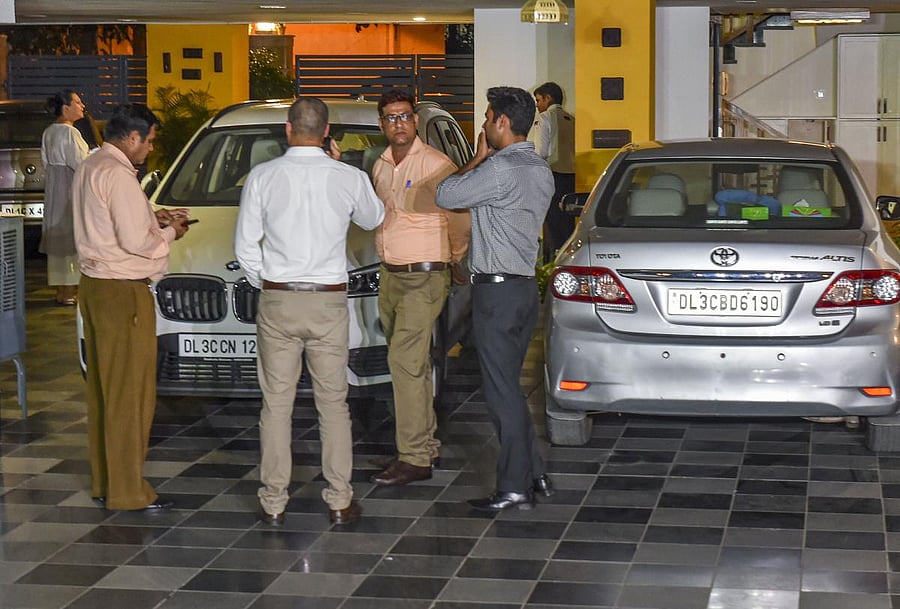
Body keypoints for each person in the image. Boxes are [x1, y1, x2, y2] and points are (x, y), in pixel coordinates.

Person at [234, 97, 384, 527]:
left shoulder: (262, 177)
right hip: (328, 301)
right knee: (333, 404)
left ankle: (274, 502)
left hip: (279, 299)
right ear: (326, 131)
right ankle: (339, 499)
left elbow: (245, 246)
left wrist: (268, 282)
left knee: (276, 405)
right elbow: (374, 217)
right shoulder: (347, 177)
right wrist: (341, 166)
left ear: (288, 128)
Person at [436, 86, 555, 512]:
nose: (484, 125)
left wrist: (478, 157)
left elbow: (446, 194)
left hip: (496, 293)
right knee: (509, 388)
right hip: (523, 291)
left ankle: (513, 487)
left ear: (502, 122)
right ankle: (535, 473)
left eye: (487, 118)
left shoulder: (499, 169)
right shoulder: (540, 169)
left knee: (501, 392)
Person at [73, 103, 191, 511]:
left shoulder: (92, 165)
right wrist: (171, 233)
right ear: (134, 137)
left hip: (95, 287)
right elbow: (135, 241)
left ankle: (106, 482)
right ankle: (127, 492)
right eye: (150, 141)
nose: (151, 148)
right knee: (131, 395)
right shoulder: (119, 175)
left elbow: (109, 222)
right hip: (123, 293)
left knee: (105, 392)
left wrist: (153, 217)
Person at [369, 89, 470, 486]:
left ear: (415, 121)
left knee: (404, 362)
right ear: (382, 124)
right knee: (415, 365)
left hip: (424, 276)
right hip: (391, 275)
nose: (399, 123)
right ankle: (425, 446)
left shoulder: (436, 164)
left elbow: (459, 218)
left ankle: (413, 458)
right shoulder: (380, 166)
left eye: (405, 116)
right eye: (391, 117)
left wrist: (454, 259)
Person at [41, 90, 91, 305]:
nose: (82, 106)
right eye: (78, 102)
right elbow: (80, 163)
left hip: (54, 189)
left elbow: (45, 162)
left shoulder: (49, 131)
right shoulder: (70, 132)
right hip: (69, 188)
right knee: (72, 237)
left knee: (58, 240)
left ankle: (61, 290)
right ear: (66, 107)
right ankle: (71, 290)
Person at [530, 82, 575, 260]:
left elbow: (540, 151)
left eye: (538, 100)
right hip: (571, 176)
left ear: (548, 98)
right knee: (568, 220)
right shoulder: (571, 119)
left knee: (553, 222)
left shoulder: (544, 117)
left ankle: (555, 260)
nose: (537, 105)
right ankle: (568, 257)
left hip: (552, 174)